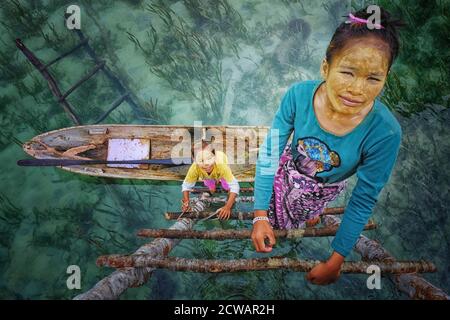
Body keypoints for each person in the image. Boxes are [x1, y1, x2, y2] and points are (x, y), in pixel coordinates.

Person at [251, 6, 405, 285]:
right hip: (290, 169)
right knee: (275, 210)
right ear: (326, 67)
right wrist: (259, 216)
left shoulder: (385, 133)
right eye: (347, 72)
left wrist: (335, 260)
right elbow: (271, 151)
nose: (358, 89)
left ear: (386, 78)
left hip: (324, 187)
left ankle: (307, 214)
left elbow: (363, 198)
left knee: (307, 210)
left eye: (373, 78)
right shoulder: (298, 96)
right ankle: (277, 217)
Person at [181, 140, 240, 219]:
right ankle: (213, 191)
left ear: (214, 157)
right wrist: (186, 202)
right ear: (194, 159)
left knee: (227, 187)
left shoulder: (221, 165)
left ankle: (229, 201)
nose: (206, 164)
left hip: (221, 171)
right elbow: (186, 185)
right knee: (212, 189)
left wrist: (227, 207)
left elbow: (235, 186)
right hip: (206, 176)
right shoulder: (195, 167)